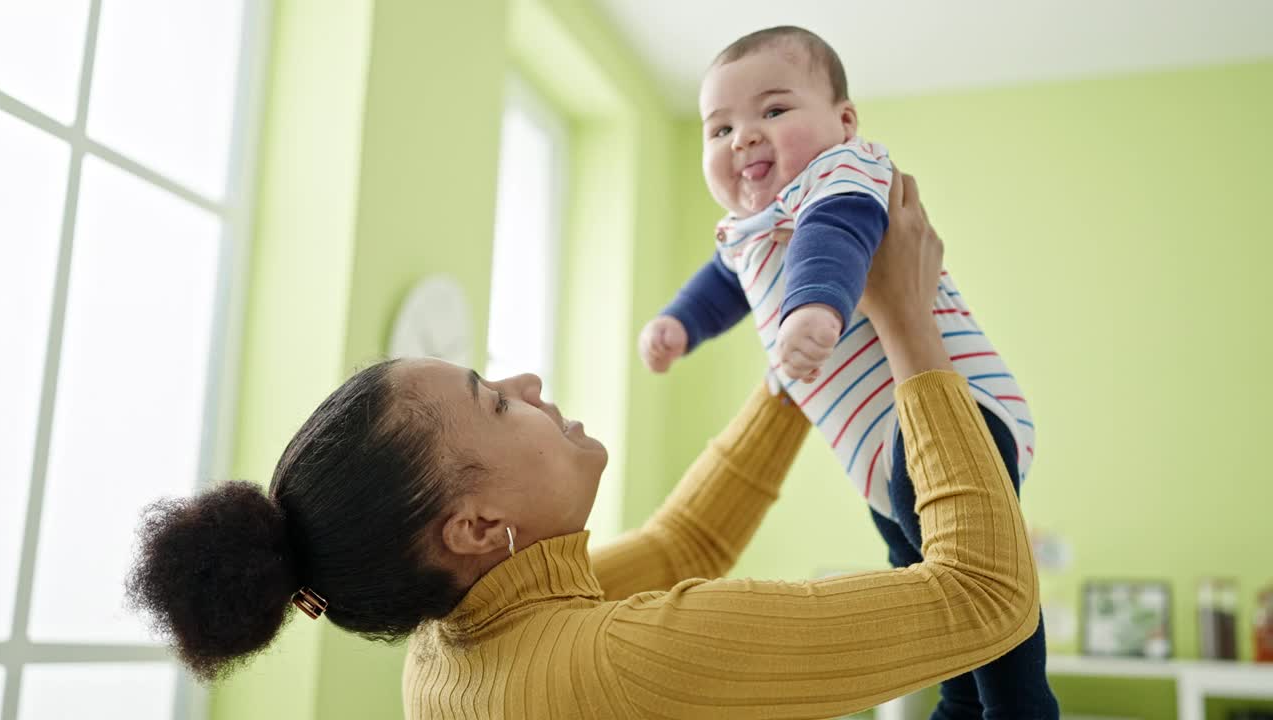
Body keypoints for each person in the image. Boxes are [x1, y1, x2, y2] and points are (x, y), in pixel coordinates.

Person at [127, 168, 1041, 718]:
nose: (527, 385)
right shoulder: (613, 664)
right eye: (493, 404)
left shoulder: (454, 649)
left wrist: (805, 353)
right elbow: (987, 598)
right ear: (477, 528)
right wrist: (907, 326)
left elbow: (688, 549)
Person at [637, 26, 1056, 719]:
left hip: (961, 414)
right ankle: (959, 697)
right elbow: (721, 284)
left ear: (844, 121)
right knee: (921, 579)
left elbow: (836, 236)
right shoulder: (748, 231)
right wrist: (678, 326)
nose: (743, 137)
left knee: (979, 570)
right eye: (720, 128)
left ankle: (1019, 703)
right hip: (884, 446)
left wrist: (812, 312)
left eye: (773, 111)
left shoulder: (843, 175)